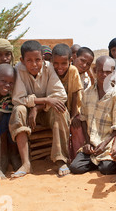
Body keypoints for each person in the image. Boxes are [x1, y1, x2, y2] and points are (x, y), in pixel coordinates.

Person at [9, 40, 71, 178]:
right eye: (29, 60)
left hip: (44, 111)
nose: (34, 64)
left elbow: (60, 96)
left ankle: (60, 160)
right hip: (27, 112)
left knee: (61, 109)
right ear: (22, 60)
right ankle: (26, 163)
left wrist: (37, 107)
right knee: (18, 110)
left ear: (43, 58)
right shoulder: (18, 69)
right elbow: (18, 99)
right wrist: (45, 99)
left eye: (38, 60)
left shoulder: (49, 68)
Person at [69, 56, 116, 175]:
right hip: (92, 145)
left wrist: (104, 144)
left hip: (107, 144)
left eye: (108, 72)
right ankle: (96, 161)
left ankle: (100, 162)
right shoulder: (87, 93)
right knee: (75, 167)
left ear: (113, 73)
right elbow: (83, 119)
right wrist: (87, 142)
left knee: (106, 169)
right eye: (100, 71)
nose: (104, 74)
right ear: (94, 71)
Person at [51, 44, 85, 161]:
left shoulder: (73, 71)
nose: (59, 67)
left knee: (76, 126)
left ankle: (77, 156)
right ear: (51, 61)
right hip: (57, 109)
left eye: (63, 63)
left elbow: (75, 95)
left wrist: (73, 116)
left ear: (70, 61)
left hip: (73, 108)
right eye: (56, 63)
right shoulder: (50, 71)